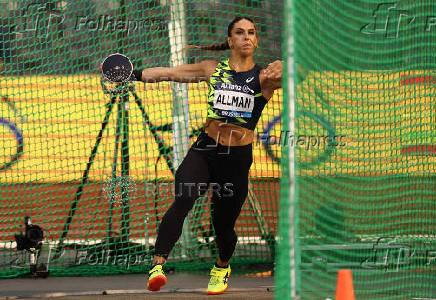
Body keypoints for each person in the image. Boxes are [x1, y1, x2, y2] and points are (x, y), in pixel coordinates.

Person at [130, 16, 282, 295]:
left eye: (251, 33)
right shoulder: (213, 69)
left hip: (235, 160)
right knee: (183, 198)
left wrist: (286, 67)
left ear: (257, 41)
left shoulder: (265, 78)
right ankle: (157, 266)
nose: (246, 37)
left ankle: (222, 266)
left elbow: (300, 76)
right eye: (239, 32)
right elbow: (169, 73)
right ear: (230, 41)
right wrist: (132, 73)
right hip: (206, 148)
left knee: (223, 225)